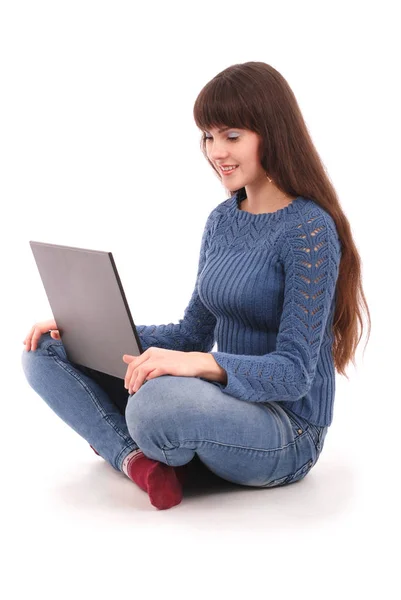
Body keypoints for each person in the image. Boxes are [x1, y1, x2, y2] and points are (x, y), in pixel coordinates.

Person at [21, 61, 371, 511]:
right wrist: (82, 328)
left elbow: (294, 373)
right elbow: (190, 335)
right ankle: (137, 462)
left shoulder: (310, 231)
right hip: (224, 401)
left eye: (231, 136)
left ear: (272, 133)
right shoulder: (223, 220)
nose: (216, 151)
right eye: (208, 136)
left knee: (154, 405)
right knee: (42, 352)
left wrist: (199, 365)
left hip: (287, 428)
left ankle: (120, 440)